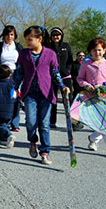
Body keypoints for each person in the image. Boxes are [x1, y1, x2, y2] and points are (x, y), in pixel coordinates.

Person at [13, 26, 70, 165]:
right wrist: (14, 88)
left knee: (44, 124)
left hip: (46, 94)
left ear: (39, 39)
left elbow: (55, 73)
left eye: (30, 39)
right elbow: (19, 73)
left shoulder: (50, 54)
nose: (27, 42)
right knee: (31, 122)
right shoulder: (24, 54)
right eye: (26, 40)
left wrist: (62, 86)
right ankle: (33, 141)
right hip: (29, 94)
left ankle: (45, 152)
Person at [77, 38, 106, 158]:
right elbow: (80, 78)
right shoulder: (86, 64)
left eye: (99, 50)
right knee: (102, 123)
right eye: (94, 50)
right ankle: (105, 145)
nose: (97, 53)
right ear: (90, 52)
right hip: (91, 98)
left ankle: (101, 142)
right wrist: (86, 85)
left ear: (104, 50)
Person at [0, 25, 23, 131]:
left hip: (15, 75)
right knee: (4, 99)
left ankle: (15, 123)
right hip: (2, 75)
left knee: (15, 98)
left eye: (11, 34)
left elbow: (23, 62)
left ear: (14, 35)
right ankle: (5, 122)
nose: (9, 37)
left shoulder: (18, 47)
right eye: (7, 34)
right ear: (4, 35)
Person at [47, 27, 73, 128]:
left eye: (58, 35)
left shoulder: (66, 46)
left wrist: (68, 70)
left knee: (68, 98)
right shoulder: (49, 47)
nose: (56, 37)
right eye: (53, 35)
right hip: (52, 76)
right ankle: (52, 121)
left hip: (65, 76)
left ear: (61, 36)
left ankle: (72, 121)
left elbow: (70, 60)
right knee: (52, 98)